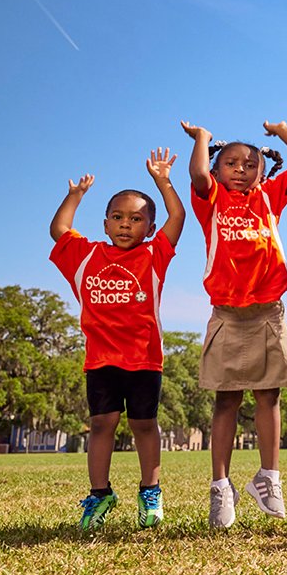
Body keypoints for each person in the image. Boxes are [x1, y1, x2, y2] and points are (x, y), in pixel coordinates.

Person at [181, 119, 287, 528]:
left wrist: (284, 133)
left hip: (268, 312)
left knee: (268, 397)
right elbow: (198, 174)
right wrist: (203, 140)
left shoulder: (269, 197)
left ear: (262, 170)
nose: (240, 169)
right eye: (231, 162)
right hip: (227, 314)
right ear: (220, 170)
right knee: (226, 400)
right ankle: (220, 486)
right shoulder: (212, 200)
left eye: (250, 163)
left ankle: (268, 477)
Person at [49, 149, 186, 531]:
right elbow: (59, 231)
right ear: (106, 224)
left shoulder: (154, 255)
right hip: (101, 360)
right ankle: (100, 493)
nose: (126, 224)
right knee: (101, 424)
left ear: (149, 227)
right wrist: (75, 196)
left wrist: (163, 181)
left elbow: (178, 217)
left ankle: (150, 490)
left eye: (137, 218)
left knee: (144, 425)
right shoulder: (86, 255)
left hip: (143, 359)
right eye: (118, 217)